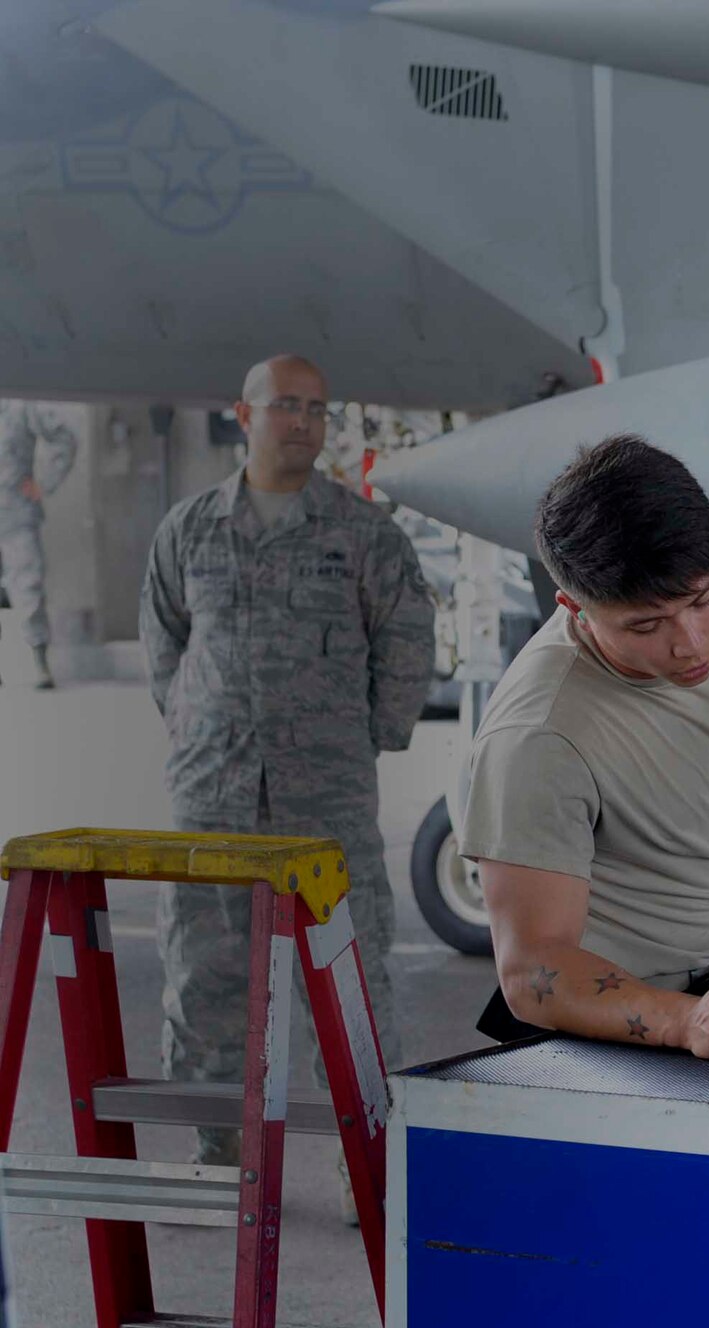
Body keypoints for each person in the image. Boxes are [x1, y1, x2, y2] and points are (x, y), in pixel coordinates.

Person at [140, 354, 434, 1178]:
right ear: (244, 414)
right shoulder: (191, 529)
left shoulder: (364, 533)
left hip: (326, 799)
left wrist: (367, 736)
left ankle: (363, 1165)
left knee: (348, 979)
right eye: (285, 406)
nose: (303, 421)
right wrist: (200, 727)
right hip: (212, 796)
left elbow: (408, 642)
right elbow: (165, 648)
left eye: (316, 408)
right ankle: (217, 1148)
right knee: (205, 972)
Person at [462, 436, 709, 1058]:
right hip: (598, 1026)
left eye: (700, 603)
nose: (691, 644)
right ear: (575, 607)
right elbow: (532, 972)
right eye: (646, 625)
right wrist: (683, 1022)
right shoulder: (537, 737)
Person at [0, 399, 81, 689]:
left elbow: (64, 437)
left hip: (15, 513)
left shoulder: (19, 405)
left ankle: (39, 662)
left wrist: (44, 482)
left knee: (28, 588)